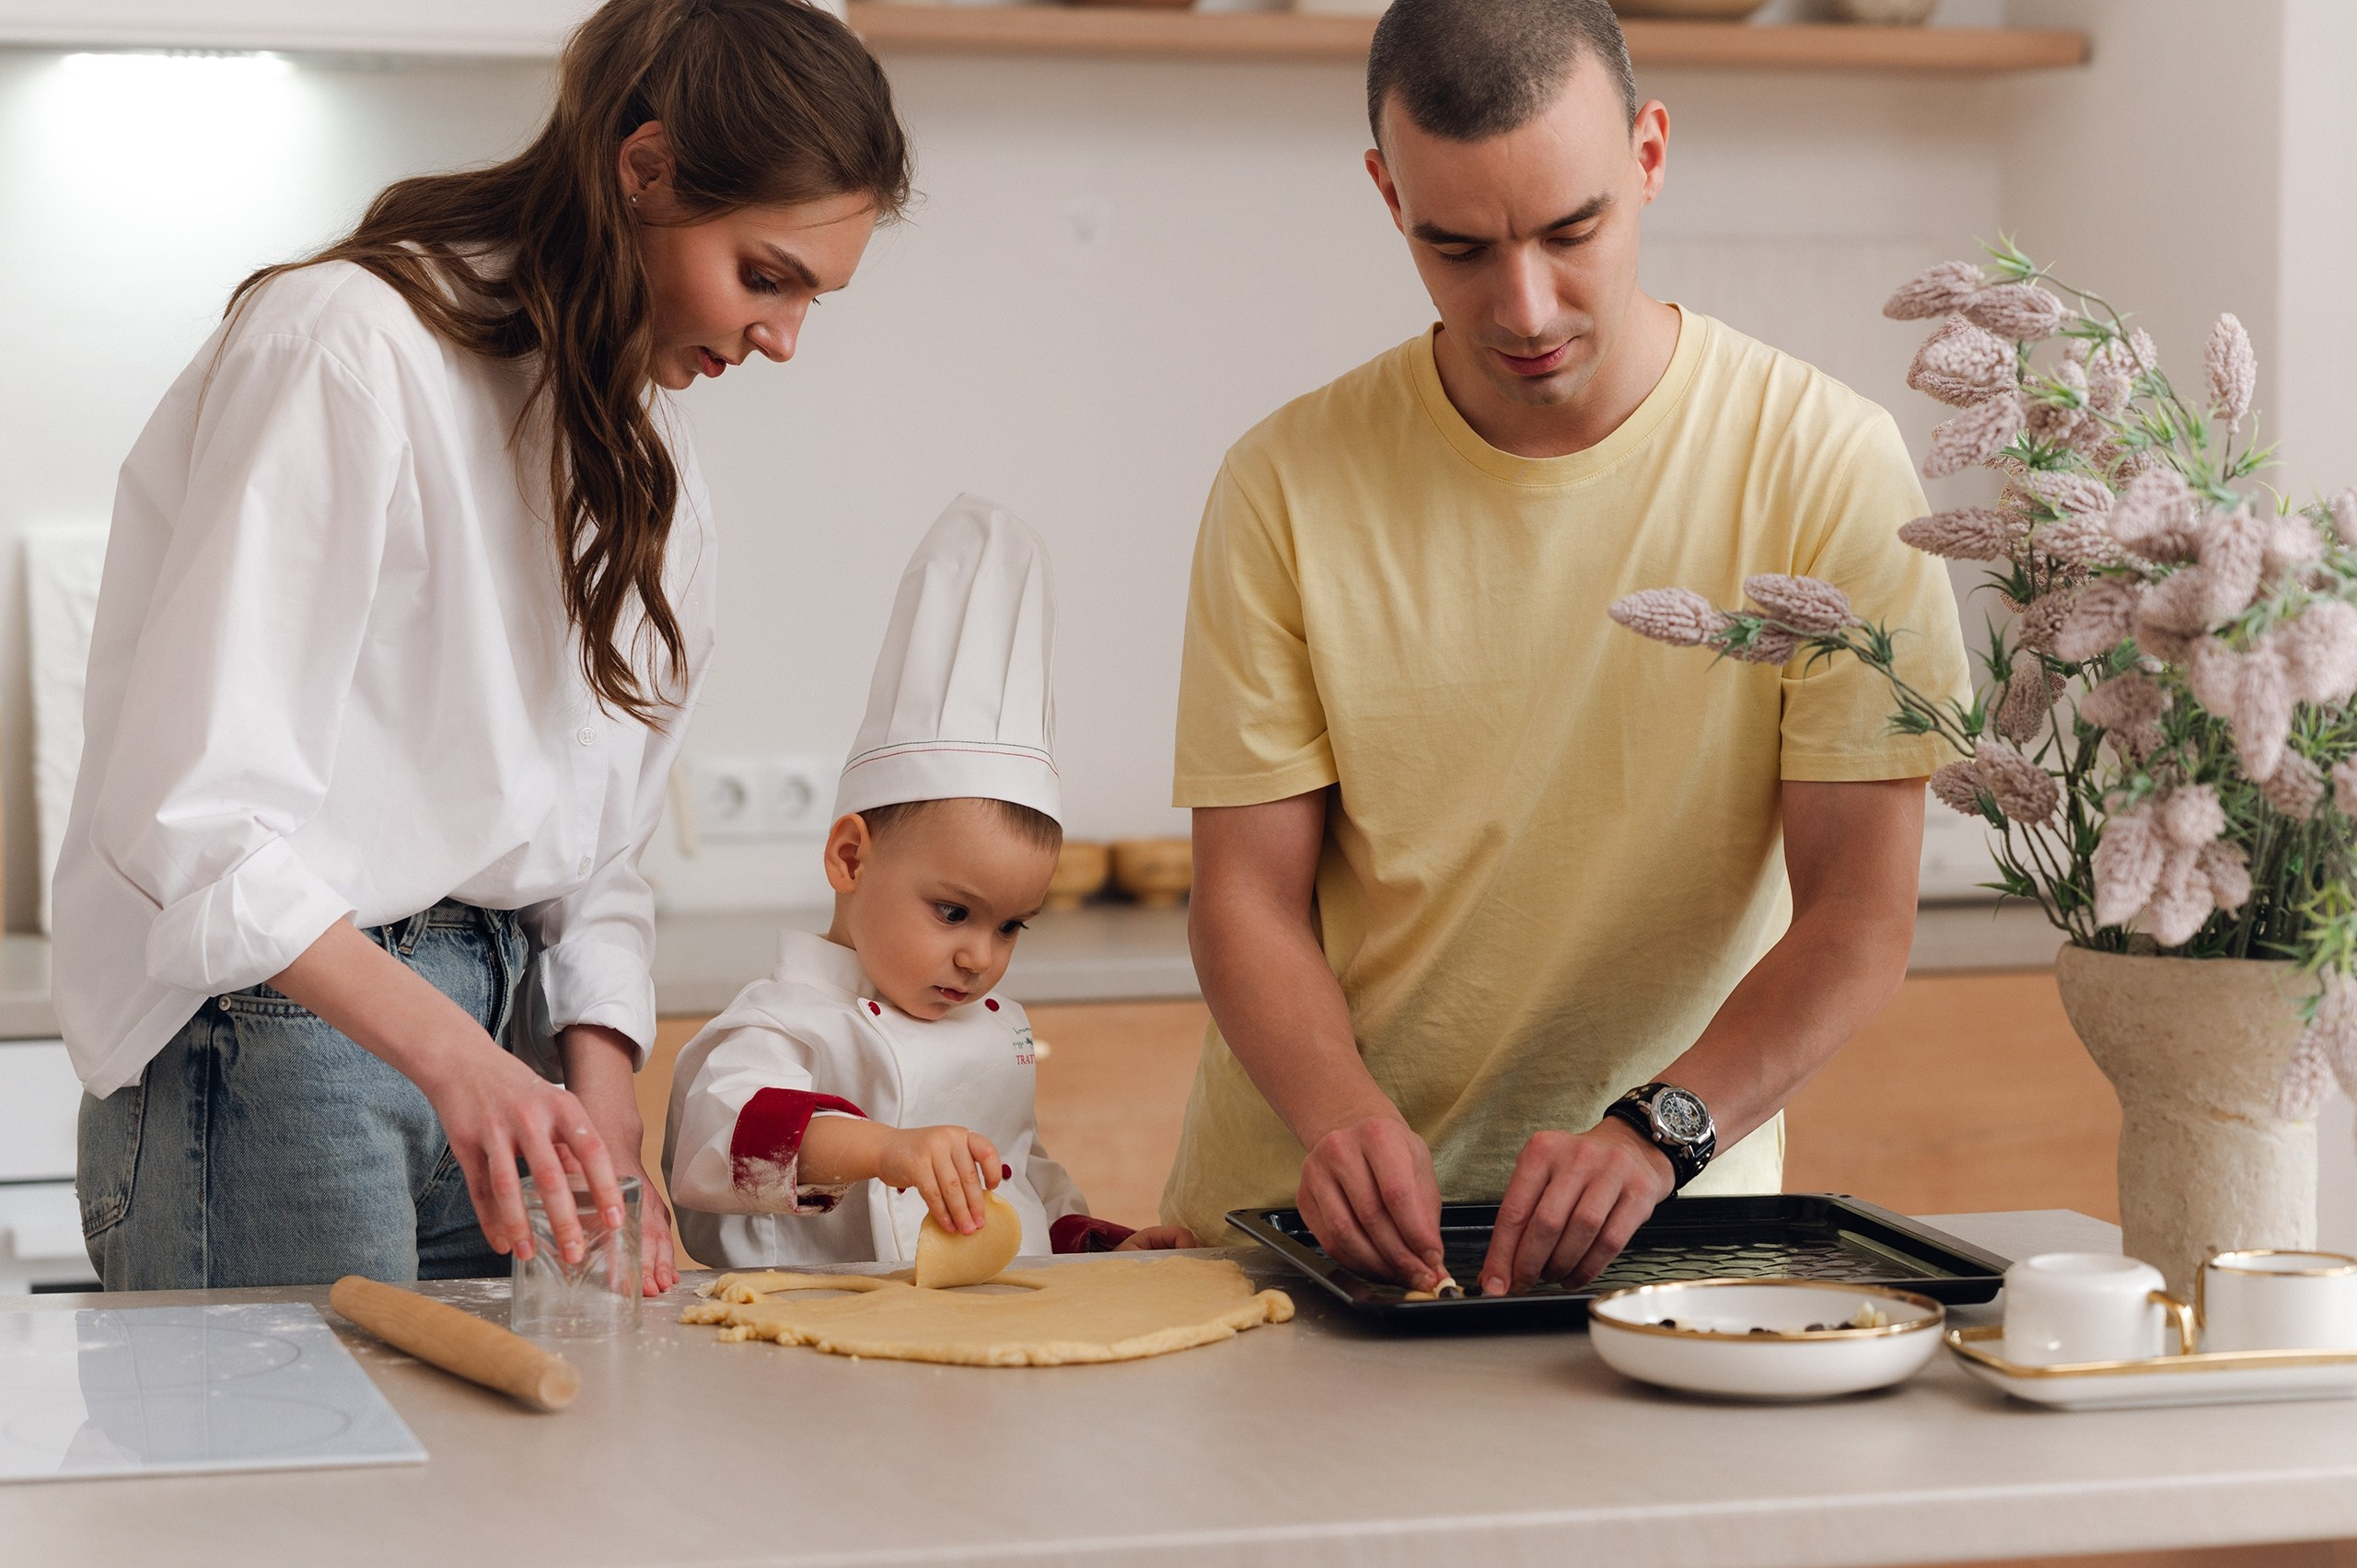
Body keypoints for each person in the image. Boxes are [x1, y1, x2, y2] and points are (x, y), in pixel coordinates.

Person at [58, 0, 909, 1295]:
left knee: (496, 1497)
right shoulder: (349, 349)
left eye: (812, 297)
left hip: (506, 1041)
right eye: (765, 274)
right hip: (281, 1048)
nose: (782, 338)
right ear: (646, 167)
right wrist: (462, 1060)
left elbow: (596, 846)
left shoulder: (651, 466)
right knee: (311, 1498)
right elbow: (197, 822)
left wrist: (602, 1084)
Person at [1161, 0, 1968, 1299]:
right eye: (1459, 245)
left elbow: (1859, 916)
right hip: (1304, 1238)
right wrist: (1339, 1117)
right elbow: (1245, 896)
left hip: (1669, 1236)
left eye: (1571, 230)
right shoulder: (1283, 484)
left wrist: (1666, 1127)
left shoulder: (1826, 463)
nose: (1523, 303)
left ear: (1650, 153)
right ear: (1387, 195)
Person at [665, 497, 1197, 1267]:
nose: (981, 956)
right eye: (954, 911)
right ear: (851, 858)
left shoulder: (996, 1030)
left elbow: (1027, 1190)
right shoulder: (782, 1024)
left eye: (1013, 924)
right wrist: (885, 1149)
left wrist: (1102, 1245)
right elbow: (726, 1137)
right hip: (809, 1358)